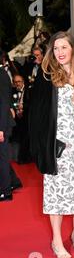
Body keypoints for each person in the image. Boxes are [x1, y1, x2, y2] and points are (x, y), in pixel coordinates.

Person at [29, 31, 74, 258]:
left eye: (64, 47)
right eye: (56, 49)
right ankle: (56, 239)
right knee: (56, 194)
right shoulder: (47, 77)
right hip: (58, 146)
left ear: (72, 49)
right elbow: (36, 114)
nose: (60, 52)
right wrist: (45, 144)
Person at [0, 52, 16, 201]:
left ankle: (5, 191)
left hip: (2, 123)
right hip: (3, 122)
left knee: (3, 157)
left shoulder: (2, 75)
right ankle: (13, 183)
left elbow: (4, 103)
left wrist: (1, 129)